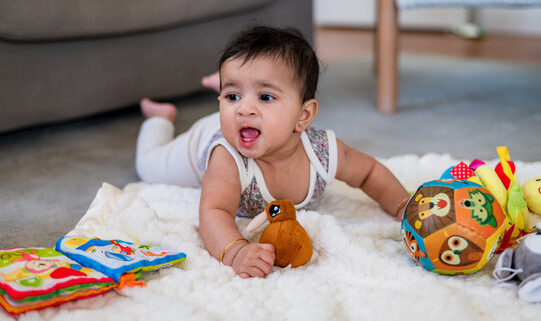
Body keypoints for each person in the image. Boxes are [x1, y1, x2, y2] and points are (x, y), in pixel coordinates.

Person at [136, 26, 410, 279]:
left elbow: (369, 173)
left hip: (241, 127)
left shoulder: (323, 152)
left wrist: (402, 205)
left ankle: (227, 84)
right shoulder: (227, 157)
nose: (245, 108)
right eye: (232, 97)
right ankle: (160, 118)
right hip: (205, 139)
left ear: (303, 115)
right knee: (148, 166)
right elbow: (214, 211)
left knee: (244, 94)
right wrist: (236, 251)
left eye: (265, 97)